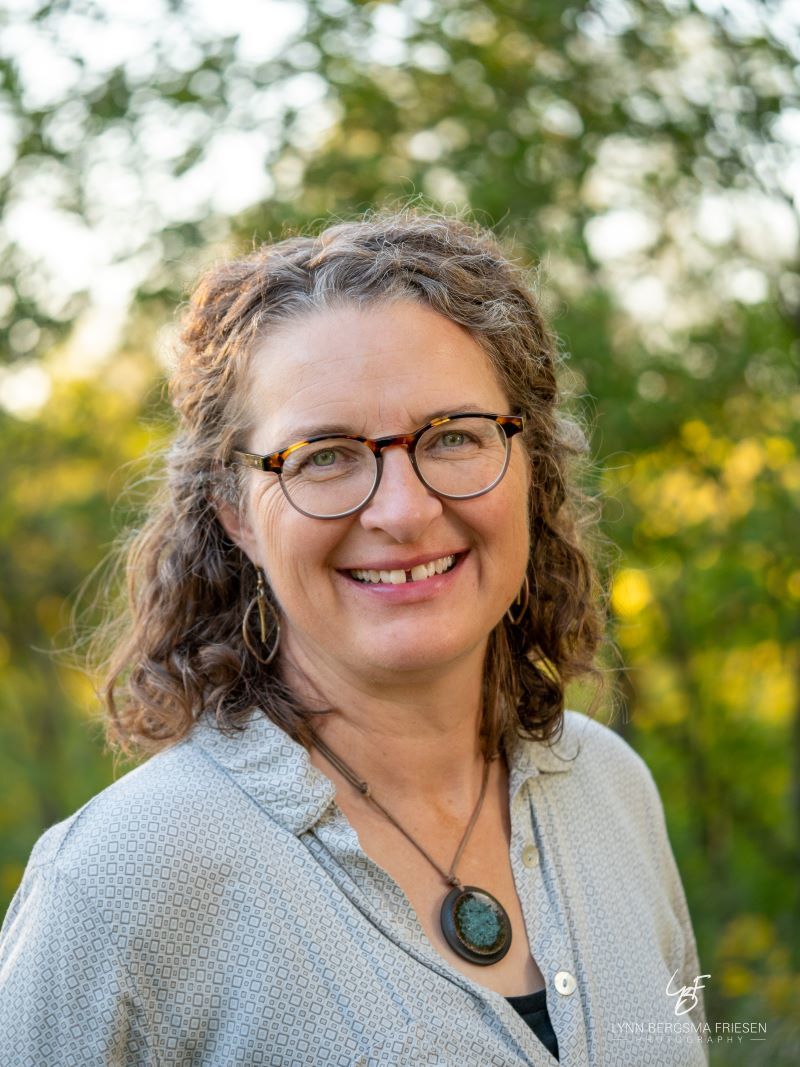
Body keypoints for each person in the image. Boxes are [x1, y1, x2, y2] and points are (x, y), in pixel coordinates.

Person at [0, 211, 708, 1066]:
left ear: (531, 466)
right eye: (325, 454)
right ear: (234, 514)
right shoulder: (119, 882)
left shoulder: (610, 789)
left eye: (452, 436)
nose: (404, 511)